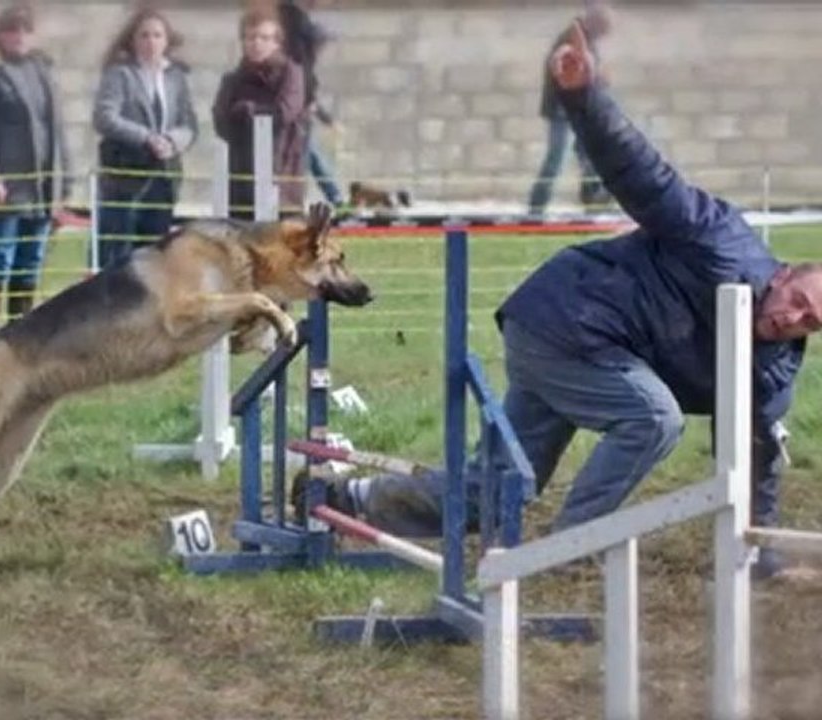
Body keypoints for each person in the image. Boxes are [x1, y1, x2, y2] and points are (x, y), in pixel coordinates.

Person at [298, 21, 822, 580]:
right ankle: (572, 546)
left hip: (596, 354)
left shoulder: (773, 370)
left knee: (494, 493)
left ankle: (343, 497)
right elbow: (645, 175)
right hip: (566, 318)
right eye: (797, 300)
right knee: (654, 419)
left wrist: (760, 552)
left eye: (810, 321)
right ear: (785, 273)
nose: (791, 318)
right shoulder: (719, 240)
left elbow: (758, 455)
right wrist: (583, 98)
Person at [0, 3, 72, 338]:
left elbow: (57, 129)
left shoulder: (42, 70)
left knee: (31, 259)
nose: (19, 36)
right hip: (5, 187)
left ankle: (20, 331)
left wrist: (65, 182)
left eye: (25, 30)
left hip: (41, 188)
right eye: (12, 29)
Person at [93, 7, 199, 268]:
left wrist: (172, 141)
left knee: (153, 254)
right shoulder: (120, 74)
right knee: (120, 255)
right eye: (144, 35)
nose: (151, 42)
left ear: (166, 40)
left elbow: (189, 124)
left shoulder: (175, 77)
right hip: (125, 178)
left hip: (162, 179)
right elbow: (105, 117)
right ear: (133, 40)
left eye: (157, 35)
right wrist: (146, 137)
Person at [213, 7, 308, 220]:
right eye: (251, 37)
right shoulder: (232, 80)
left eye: (264, 38)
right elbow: (221, 120)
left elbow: (285, 112)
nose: (257, 43)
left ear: (277, 42)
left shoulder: (291, 74)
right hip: (242, 174)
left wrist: (248, 110)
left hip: (282, 173)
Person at [526, 2, 613, 219]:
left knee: (588, 155)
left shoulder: (585, 39)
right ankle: (536, 208)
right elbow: (570, 72)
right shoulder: (573, 38)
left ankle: (593, 201)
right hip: (563, 110)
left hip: (577, 109)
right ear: (594, 23)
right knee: (556, 158)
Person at [278, 0, 345, 208]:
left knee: (310, 155)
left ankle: (334, 194)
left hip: (300, 115)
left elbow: (310, 94)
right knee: (306, 156)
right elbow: (307, 93)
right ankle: (333, 195)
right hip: (295, 116)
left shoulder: (303, 62)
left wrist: (326, 118)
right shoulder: (297, 59)